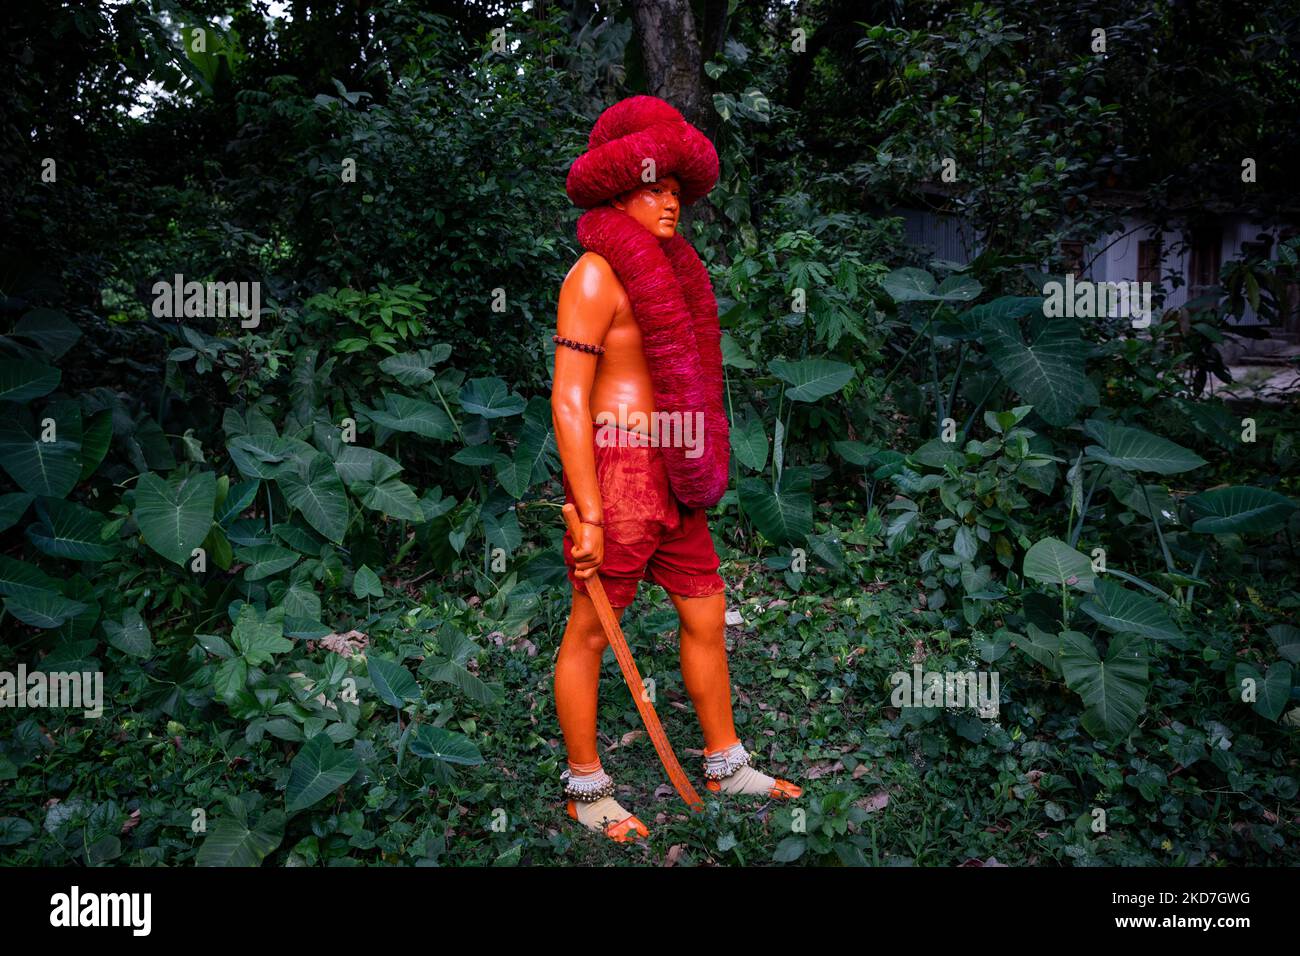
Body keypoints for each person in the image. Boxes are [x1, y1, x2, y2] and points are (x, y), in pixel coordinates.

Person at [550, 95, 802, 843]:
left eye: (675, 193)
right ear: (617, 191)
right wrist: (590, 509)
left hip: (675, 468)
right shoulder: (594, 276)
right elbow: (567, 399)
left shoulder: (674, 273)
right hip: (620, 471)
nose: (670, 204)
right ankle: (586, 786)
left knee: (704, 613)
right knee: (592, 633)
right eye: (654, 189)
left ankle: (726, 763)